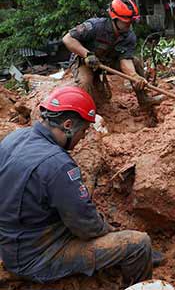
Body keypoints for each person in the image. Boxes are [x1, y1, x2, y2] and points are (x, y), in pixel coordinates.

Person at [0, 86, 155, 286]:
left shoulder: (14, 138)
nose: (83, 137)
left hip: (12, 239)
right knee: (139, 244)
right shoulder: (57, 164)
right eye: (84, 130)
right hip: (37, 257)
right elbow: (86, 227)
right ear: (68, 125)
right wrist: (106, 229)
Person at [62, 0, 161, 108]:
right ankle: (86, 112)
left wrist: (134, 76)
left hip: (106, 62)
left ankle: (143, 99)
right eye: (126, 22)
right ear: (115, 18)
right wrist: (87, 54)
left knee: (136, 62)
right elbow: (67, 39)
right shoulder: (94, 26)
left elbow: (125, 59)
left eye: (131, 22)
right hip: (83, 61)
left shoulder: (128, 36)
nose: (129, 25)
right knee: (85, 82)